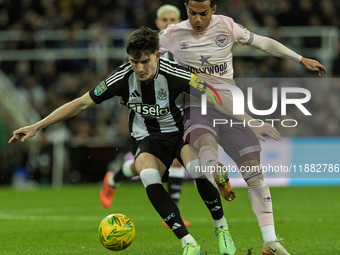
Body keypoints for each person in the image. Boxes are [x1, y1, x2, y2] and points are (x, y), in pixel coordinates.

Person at [8, 26, 278, 255]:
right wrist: (37, 125)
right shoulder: (121, 77)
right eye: (134, 61)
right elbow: (80, 104)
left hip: (179, 134)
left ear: (157, 56)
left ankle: (221, 228)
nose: (139, 68)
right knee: (148, 174)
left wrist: (252, 121)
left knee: (198, 170)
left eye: (145, 61)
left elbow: (216, 96)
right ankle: (188, 242)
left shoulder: (176, 74)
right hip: (147, 138)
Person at [158, 1, 327, 255]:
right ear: (186, 8)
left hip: (233, 107)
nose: (198, 19)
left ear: (213, 9)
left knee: (255, 176)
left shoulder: (227, 25)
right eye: (193, 13)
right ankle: (217, 171)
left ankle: (270, 242)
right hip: (196, 106)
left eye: (204, 13)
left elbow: (264, 43)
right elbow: (143, 56)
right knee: (205, 145)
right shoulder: (172, 33)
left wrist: (299, 58)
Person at [100, 5, 192, 227]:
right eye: (164, 19)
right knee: (145, 168)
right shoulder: (146, 50)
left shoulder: (187, 50)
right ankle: (113, 178)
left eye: (173, 19)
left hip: (175, 118)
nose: (169, 23)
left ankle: (174, 212)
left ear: (180, 21)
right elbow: (129, 79)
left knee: (178, 160)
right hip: (146, 123)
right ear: (157, 22)